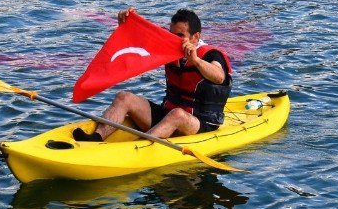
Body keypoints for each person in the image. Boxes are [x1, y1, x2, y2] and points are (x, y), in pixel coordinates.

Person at [75, 7, 232, 142]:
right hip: (167, 114)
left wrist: (196, 61)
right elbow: (142, 40)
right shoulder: (170, 46)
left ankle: (138, 147)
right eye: (172, 34)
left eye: (180, 36)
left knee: (177, 114)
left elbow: (219, 77)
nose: (174, 40)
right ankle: (95, 138)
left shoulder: (212, 55)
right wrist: (127, 23)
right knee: (124, 97)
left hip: (201, 122)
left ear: (195, 36)